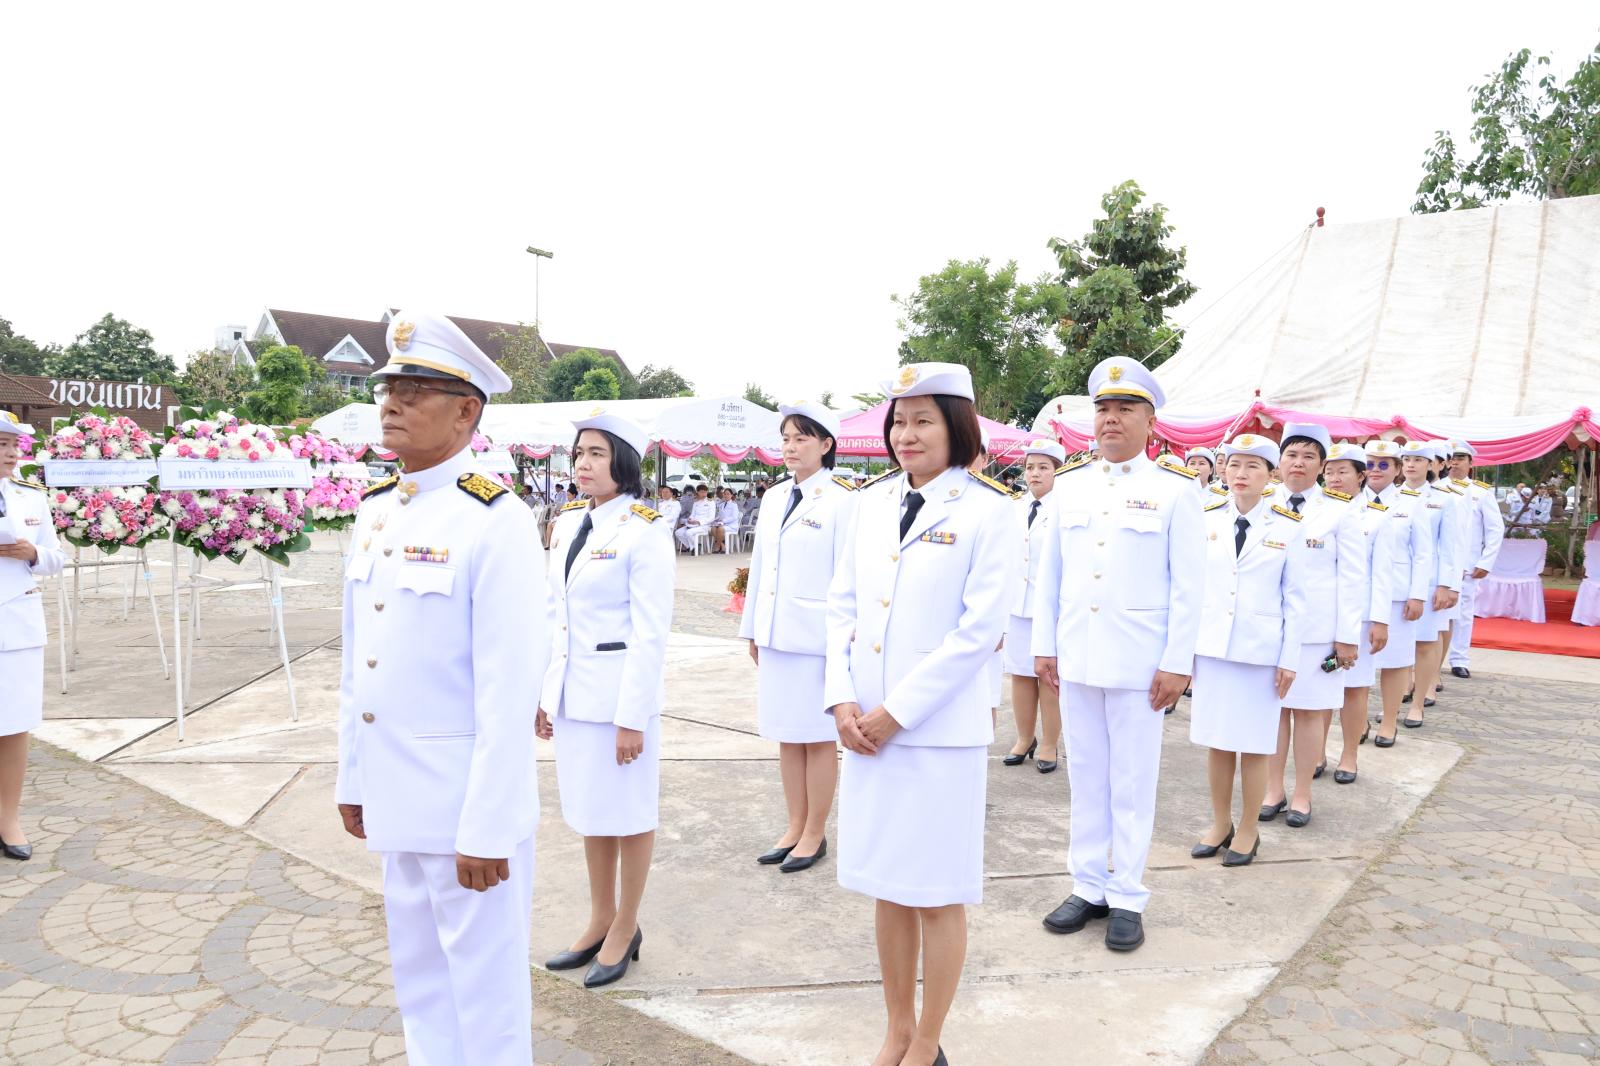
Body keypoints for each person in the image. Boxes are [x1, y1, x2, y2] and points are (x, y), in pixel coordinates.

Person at [335, 312, 548, 1065]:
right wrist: (353, 778)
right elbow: (358, 666)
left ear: (466, 412)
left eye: (416, 390)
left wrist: (488, 826)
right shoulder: (374, 513)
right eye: (388, 388)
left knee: (486, 1000)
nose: (392, 403)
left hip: (465, 808)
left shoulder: (495, 519)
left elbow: (508, 688)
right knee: (421, 986)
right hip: (396, 794)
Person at [825, 362, 1014, 1066]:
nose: (906, 434)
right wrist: (842, 698)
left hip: (936, 735)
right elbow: (840, 607)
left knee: (935, 892)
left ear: (956, 426)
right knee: (887, 887)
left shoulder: (990, 510)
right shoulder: (870, 503)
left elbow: (978, 632)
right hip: (865, 731)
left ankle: (929, 1039)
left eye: (923, 421)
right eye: (899, 421)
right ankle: (896, 1029)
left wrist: (894, 714)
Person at [1031, 357, 1204, 953]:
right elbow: (1049, 576)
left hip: (1140, 665)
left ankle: (1127, 893)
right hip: (1077, 656)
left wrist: (1178, 662)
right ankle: (1088, 885)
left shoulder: (1176, 491)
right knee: (1086, 778)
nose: (1111, 418)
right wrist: (1044, 646)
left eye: (1125, 409)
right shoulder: (1070, 487)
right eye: (1103, 408)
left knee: (1131, 782)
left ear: (1150, 421)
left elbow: (1189, 587)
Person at [538, 408, 673, 989]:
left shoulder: (645, 530)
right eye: (578, 453)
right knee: (592, 812)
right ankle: (599, 918)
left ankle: (626, 925)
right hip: (575, 698)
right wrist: (545, 694)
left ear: (623, 461)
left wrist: (632, 718)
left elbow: (650, 633)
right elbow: (553, 614)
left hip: (619, 703)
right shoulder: (570, 522)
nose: (583, 464)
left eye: (596, 453)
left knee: (631, 814)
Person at [740, 401, 856, 873]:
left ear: (826, 445)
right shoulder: (773, 497)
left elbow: (849, 577)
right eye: (785, 438)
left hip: (817, 640)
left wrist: (844, 643)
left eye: (801, 438)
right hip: (776, 635)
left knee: (817, 738)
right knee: (787, 736)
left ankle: (815, 833)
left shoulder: (844, 499)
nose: (790, 447)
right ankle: (794, 826)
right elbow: (760, 568)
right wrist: (752, 628)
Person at [1189, 435, 1308, 865]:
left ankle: (1249, 828)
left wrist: (1289, 659)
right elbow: (1189, 587)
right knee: (1217, 743)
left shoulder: (1289, 526)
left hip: (1261, 654)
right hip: (1212, 649)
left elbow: (1297, 600)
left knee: (1255, 746)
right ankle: (1220, 822)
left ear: (1271, 475)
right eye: (1234, 464)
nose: (1241, 474)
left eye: (1253, 466)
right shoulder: (1204, 518)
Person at [1259, 423, 1365, 829]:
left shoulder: (1340, 510)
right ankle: (1273, 789)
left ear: (1322, 466)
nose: (1298, 463)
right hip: (1270, 630)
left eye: (1308, 457)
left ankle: (1302, 792)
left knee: (1308, 714)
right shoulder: (1262, 502)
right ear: (1279, 462)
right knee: (1272, 713)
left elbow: (1352, 578)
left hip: (1317, 634)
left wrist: (1347, 638)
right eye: (1291, 455)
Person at [0, 413, 65, 862]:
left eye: (13, 446)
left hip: (16, 624)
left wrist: (33, 552)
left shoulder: (31, 498)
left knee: (14, 725)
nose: (10, 453)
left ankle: (8, 819)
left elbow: (57, 558)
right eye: (1, 445)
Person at [1321, 443, 1391, 783]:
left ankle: (1349, 755)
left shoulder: (1377, 516)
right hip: (1321, 617)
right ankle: (1316, 752)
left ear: (1361, 476)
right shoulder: (1315, 511)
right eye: (1329, 471)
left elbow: (1382, 572)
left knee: (1354, 688)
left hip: (1358, 619)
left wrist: (1380, 620)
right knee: (1320, 686)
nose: (1334, 478)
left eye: (1342, 472)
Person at [1003, 438, 1067, 773]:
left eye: (1043, 467)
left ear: (1057, 472)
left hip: (1051, 609)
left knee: (1049, 678)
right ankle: (1024, 737)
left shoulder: (1065, 509)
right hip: (1018, 605)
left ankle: (1049, 744)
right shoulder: (1014, 507)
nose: (1035, 474)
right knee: (1020, 675)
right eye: (1029, 467)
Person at [1364, 441, 1432, 746]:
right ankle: (1358, 719)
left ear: (1396, 469)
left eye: (1383, 465)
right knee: (1354, 663)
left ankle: (1389, 721)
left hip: (1397, 595)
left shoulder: (1411, 502)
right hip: (1358, 595)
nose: (1375, 470)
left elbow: (1423, 553)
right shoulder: (1350, 500)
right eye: (1370, 464)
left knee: (1394, 661)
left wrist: (1417, 595)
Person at [1396, 440, 1459, 725]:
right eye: (1407, 460)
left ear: (1430, 465)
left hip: (1431, 582)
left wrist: (1447, 585)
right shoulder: (1391, 497)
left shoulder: (1444, 499)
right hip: (1398, 581)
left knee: (1424, 644)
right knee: (1398, 646)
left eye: (1418, 460)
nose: (1411, 465)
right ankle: (1395, 700)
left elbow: (1450, 546)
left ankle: (1418, 704)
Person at [1444, 441, 1504, 678]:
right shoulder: (1435, 488)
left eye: (1460, 458)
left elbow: (1495, 530)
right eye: (1451, 458)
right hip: (1438, 564)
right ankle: (1429, 660)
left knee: (1462, 613)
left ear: (1471, 463)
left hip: (1467, 566)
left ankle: (1459, 659)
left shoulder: (1481, 492)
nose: (1454, 462)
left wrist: (1485, 562)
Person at [676, 484, 716, 552]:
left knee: (688, 533)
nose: (704, 494)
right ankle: (694, 546)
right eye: (702, 492)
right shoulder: (696, 503)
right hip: (693, 525)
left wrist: (698, 522)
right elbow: (693, 515)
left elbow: (712, 518)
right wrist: (690, 519)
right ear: (697, 492)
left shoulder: (711, 502)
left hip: (704, 525)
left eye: (705, 492)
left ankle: (694, 548)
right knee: (678, 532)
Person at [713, 486, 741, 552]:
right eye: (725, 494)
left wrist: (723, 521)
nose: (726, 495)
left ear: (731, 495)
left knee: (720, 529)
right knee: (713, 529)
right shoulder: (721, 504)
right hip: (722, 524)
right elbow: (719, 515)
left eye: (728, 494)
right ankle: (722, 545)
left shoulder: (734, 505)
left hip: (731, 525)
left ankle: (717, 547)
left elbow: (734, 517)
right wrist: (715, 520)